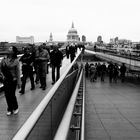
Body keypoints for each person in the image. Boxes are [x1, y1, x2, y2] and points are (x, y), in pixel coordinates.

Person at [0, 46, 21, 116]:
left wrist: (19, 82)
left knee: (12, 95)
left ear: (13, 51)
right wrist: (2, 75)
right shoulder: (4, 59)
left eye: (10, 48)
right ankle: (9, 109)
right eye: (9, 48)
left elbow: (18, 71)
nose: (9, 49)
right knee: (7, 95)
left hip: (13, 79)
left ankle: (15, 107)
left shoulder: (16, 60)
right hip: (5, 79)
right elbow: (0, 69)